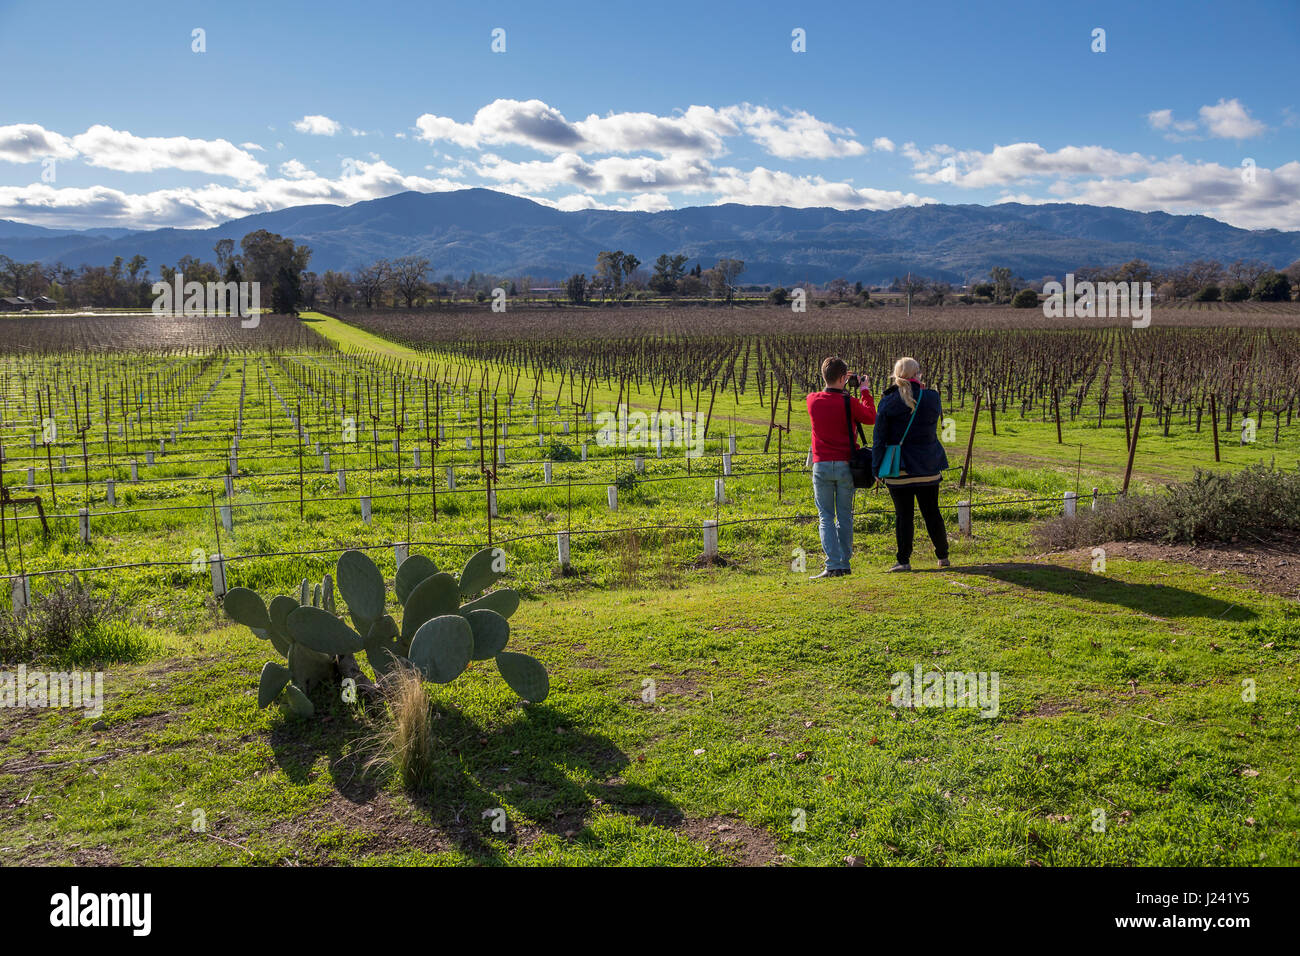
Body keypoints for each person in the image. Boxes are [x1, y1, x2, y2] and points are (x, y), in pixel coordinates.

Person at [871, 357, 950, 572]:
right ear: (918, 374)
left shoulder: (888, 400)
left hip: (900, 468)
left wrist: (876, 468)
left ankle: (903, 560)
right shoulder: (932, 398)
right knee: (932, 512)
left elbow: (879, 438)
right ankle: (943, 556)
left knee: (903, 516)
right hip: (928, 467)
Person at [806, 356, 876, 578]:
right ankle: (844, 563)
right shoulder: (850, 402)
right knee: (845, 516)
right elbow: (871, 417)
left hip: (822, 465)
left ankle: (833, 563)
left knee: (825, 516)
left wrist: (841, 379)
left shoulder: (812, 400)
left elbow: (828, 391)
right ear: (844, 377)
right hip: (847, 464)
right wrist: (864, 389)